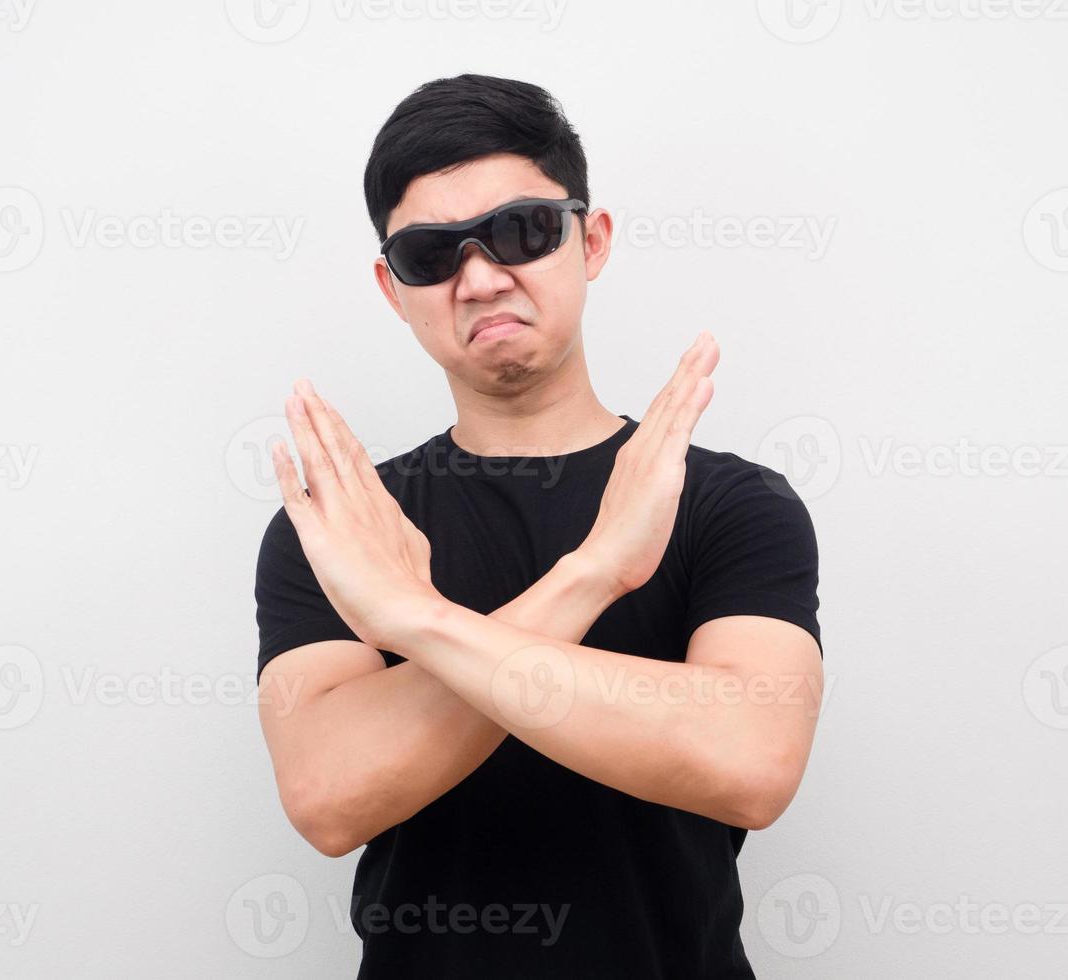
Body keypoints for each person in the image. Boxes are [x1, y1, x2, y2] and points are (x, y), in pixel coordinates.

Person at [254, 73, 824, 979]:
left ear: (589, 240)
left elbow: (750, 761)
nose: (479, 278)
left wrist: (416, 623)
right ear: (391, 287)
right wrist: (593, 572)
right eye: (430, 255)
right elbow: (329, 797)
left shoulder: (727, 502)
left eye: (522, 229)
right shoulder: (348, 530)